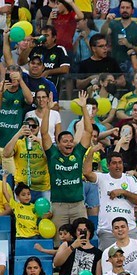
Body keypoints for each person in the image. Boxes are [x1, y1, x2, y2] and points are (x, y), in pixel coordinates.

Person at [42, 91, 91, 239]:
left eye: (71, 141)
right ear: (58, 143)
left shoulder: (78, 153)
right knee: (59, 241)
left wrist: (84, 108)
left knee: (82, 240)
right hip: (59, 206)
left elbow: (88, 131)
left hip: (78, 205)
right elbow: (44, 133)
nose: (69, 143)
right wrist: (47, 110)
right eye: (65, 141)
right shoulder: (53, 154)